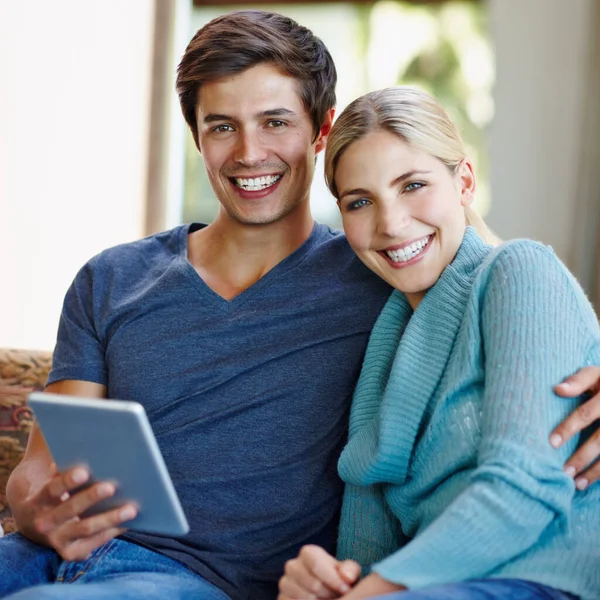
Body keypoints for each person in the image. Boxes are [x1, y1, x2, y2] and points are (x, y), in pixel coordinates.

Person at [0, 9, 599, 600]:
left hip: (189, 581)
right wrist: (31, 507)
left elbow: (508, 302)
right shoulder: (111, 279)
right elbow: (42, 463)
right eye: (222, 126)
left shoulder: (382, 278)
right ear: (198, 137)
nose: (249, 153)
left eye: (275, 122)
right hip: (47, 553)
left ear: (320, 129)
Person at [277, 86, 600, 600]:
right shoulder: (381, 353)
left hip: (545, 579)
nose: (391, 223)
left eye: (413, 185)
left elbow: (522, 488)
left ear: (464, 181)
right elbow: (370, 552)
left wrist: (374, 591)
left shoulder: (520, 271)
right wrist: (331, 582)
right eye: (360, 202)